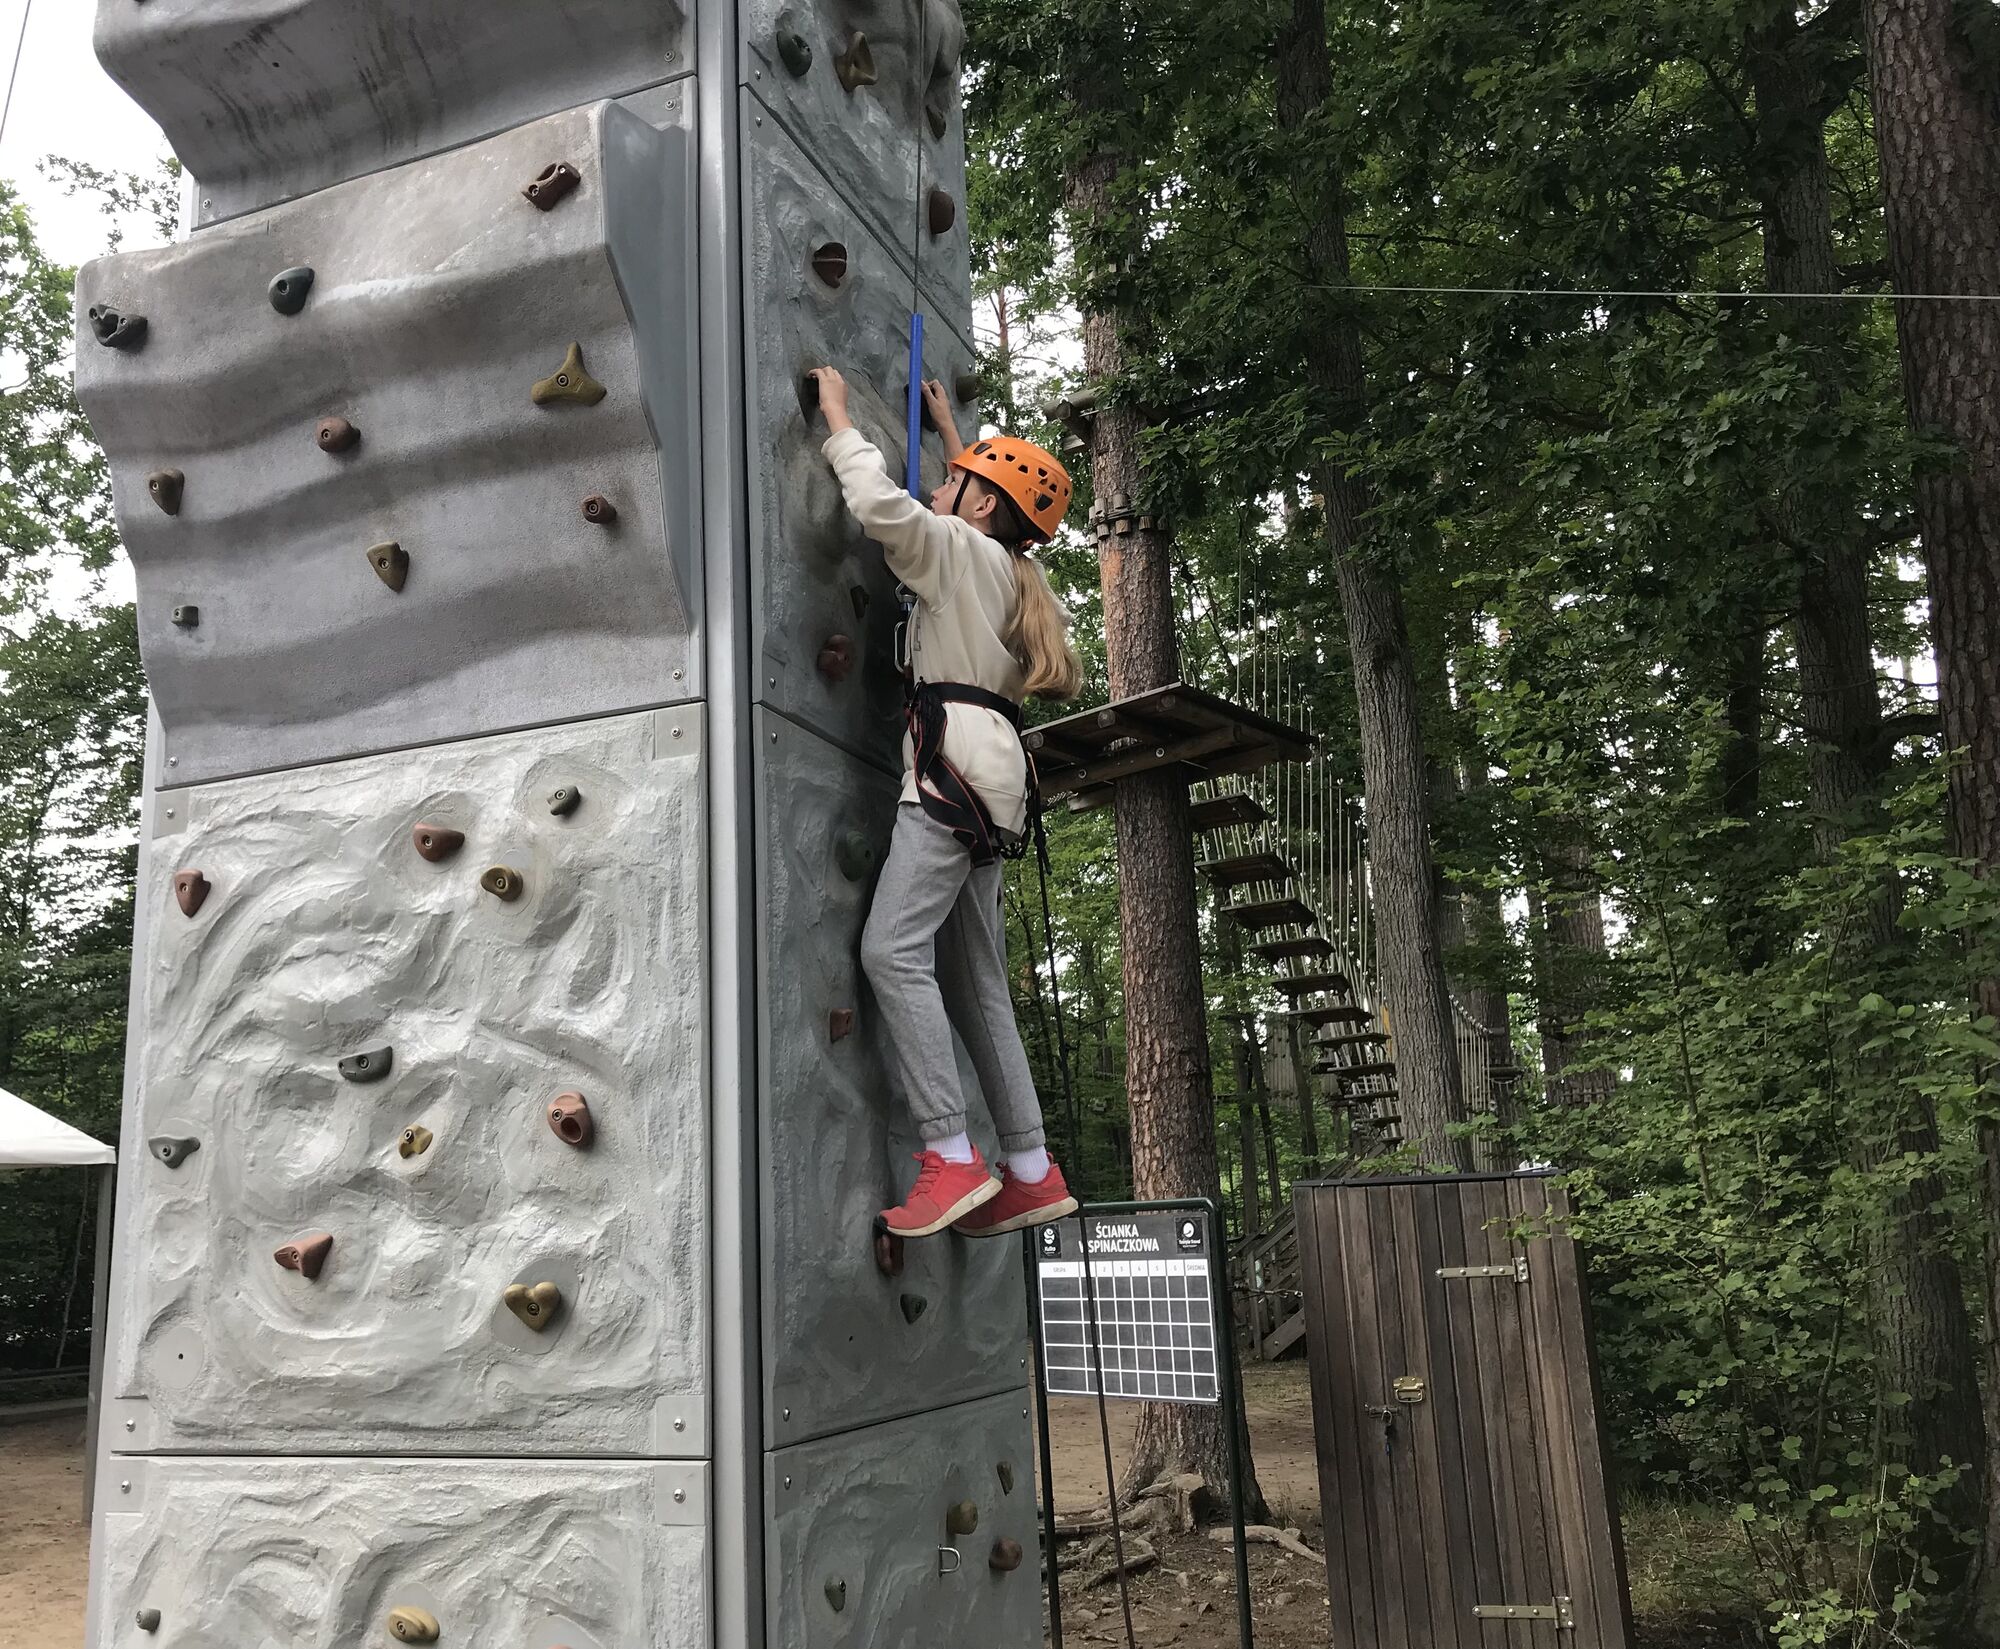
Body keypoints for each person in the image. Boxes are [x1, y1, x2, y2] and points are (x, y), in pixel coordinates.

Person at [809, 365, 1083, 1240]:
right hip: (995, 777)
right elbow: (973, 511)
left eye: (954, 479)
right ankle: (1031, 1170)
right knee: (976, 984)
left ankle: (951, 1153)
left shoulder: (960, 550)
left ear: (979, 504)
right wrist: (957, 438)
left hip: (950, 770)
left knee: (891, 951)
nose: (939, 483)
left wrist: (838, 417)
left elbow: (881, 507)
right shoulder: (1009, 569)